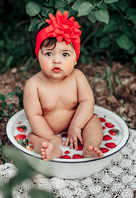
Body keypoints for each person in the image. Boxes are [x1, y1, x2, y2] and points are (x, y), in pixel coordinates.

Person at [23, 11, 103, 161]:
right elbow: (34, 115)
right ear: (38, 56)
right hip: (46, 131)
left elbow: (87, 102)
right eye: (49, 54)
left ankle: (89, 145)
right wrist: (50, 136)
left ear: (75, 59)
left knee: (93, 120)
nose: (56, 60)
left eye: (65, 54)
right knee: (30, 138)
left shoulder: (77, 77)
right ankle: (51, 150)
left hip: (77, 124)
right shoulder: (33, 85)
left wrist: (76, 126)